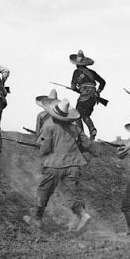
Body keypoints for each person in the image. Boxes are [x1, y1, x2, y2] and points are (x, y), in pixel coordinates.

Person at [34, 98, 93, 233]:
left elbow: (46, 149)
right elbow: (87, 144)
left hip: (55, 165)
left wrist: (41, 149)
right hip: (73, 165)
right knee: (71, 193)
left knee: (44, 190)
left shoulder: (49, 126)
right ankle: (83, 215)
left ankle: (38, 219)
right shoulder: (75, 128)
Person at [70, 49, 106, 141]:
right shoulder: (92, 72)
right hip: (94, 97)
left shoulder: (76, 72)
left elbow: (73, 87)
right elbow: (102, 82)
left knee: (77, 115)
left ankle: (81, 135)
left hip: (84, 96)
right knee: (85, 115)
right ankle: (92, 129)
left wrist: (78, 90)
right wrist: (98, 91)